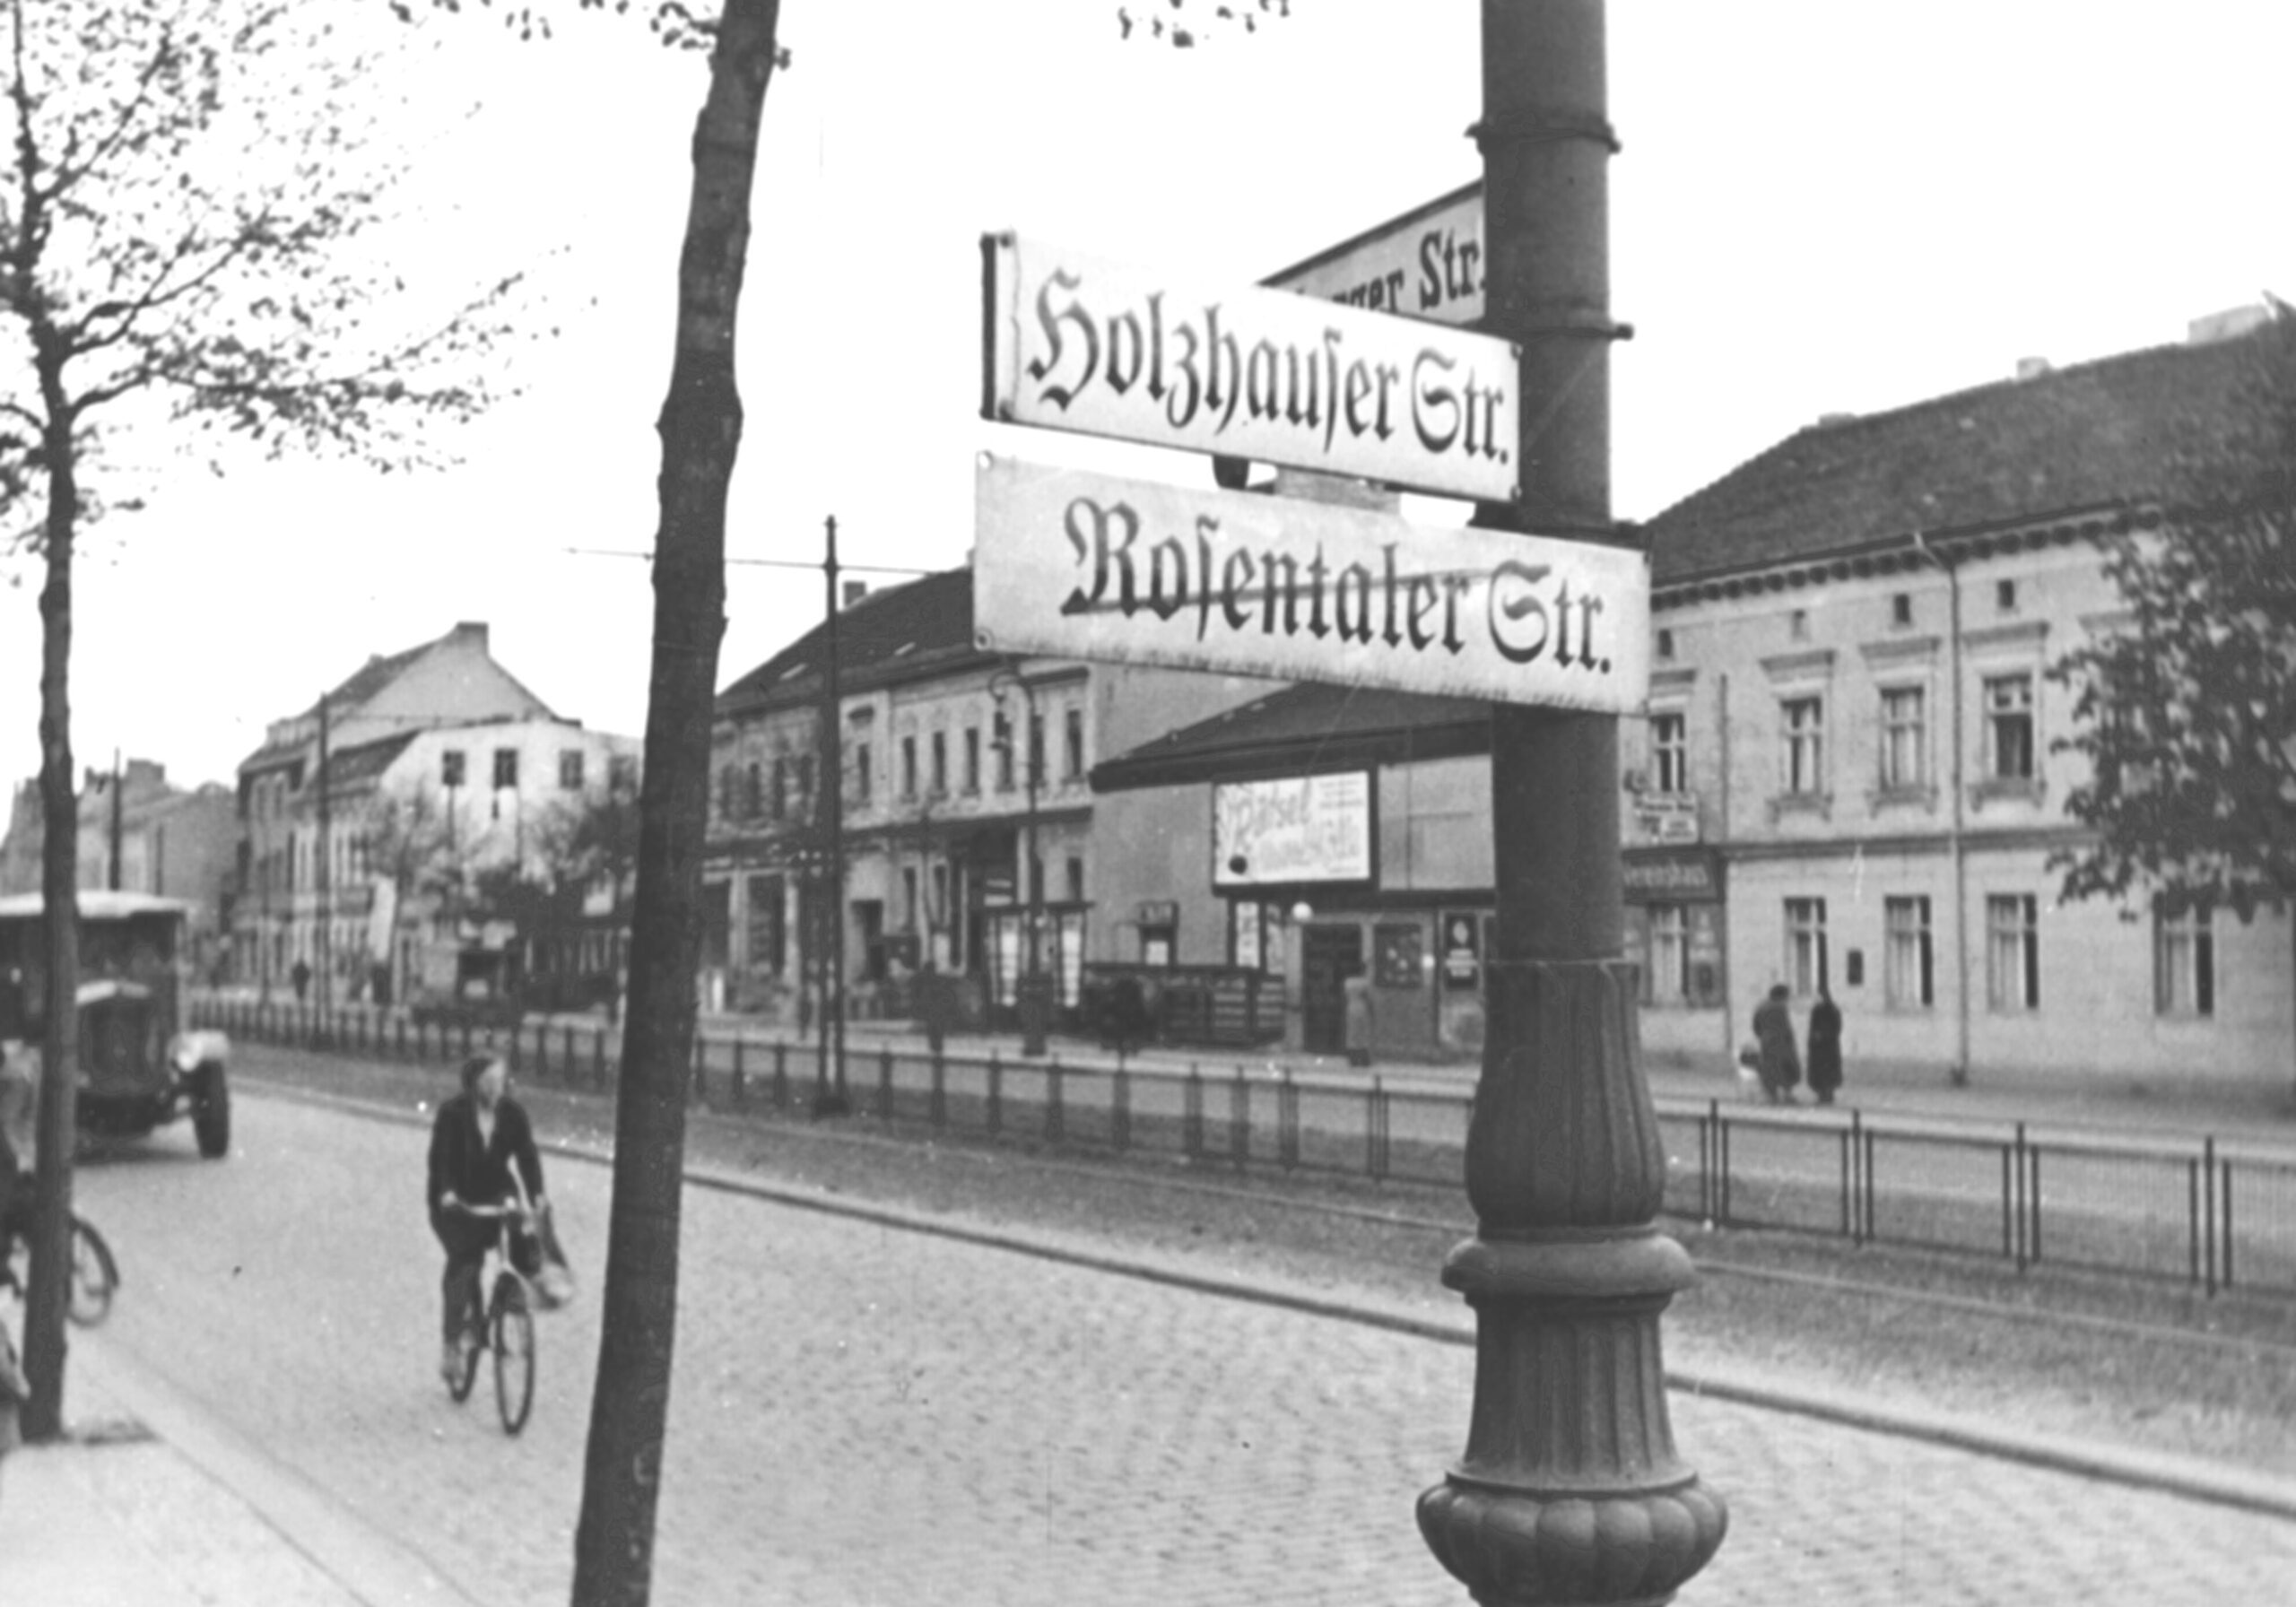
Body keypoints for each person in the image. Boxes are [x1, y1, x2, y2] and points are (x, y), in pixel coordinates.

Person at [425, 1053, 546, 1384]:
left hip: (494, 1191)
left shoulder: (512, 1114)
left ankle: (516, 1290)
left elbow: (526, 1155)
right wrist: (447, 1193)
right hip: (456, 1200)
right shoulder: (452, 1115)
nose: (497, 1088)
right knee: (466, 1263)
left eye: (501, 1081)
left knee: (519, 1225)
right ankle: (452, 1343)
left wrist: (536, 1194)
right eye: (490, 1082)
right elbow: (441, 1162)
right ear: (475, 1083)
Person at [1752, 984, 1802, 1106]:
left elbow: (1756, 1026)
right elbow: (1785, 1026)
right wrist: (1790, 1040)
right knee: (1786, 1068)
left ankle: (1772, 1095)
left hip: (1766, 1041)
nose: (1787, 999)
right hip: (1781, 1042)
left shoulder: (1761, 1006)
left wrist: (1763, 1036)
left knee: (1769, 1068)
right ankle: (1787, 1094)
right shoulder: (1780, 1007)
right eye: (1786, 996)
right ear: (1781, 995)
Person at [1806, 987, 1844, 1106]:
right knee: (1822, 1072)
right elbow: (1813, 1027)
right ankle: (1823, 1093)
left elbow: (1836, 1028)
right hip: (1820, 1048)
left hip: (1827, 1047)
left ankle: (1827, 1092)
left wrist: (1822, 1036)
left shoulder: (1832, 1010)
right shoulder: (1818, 1010)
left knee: (1827, 1072)